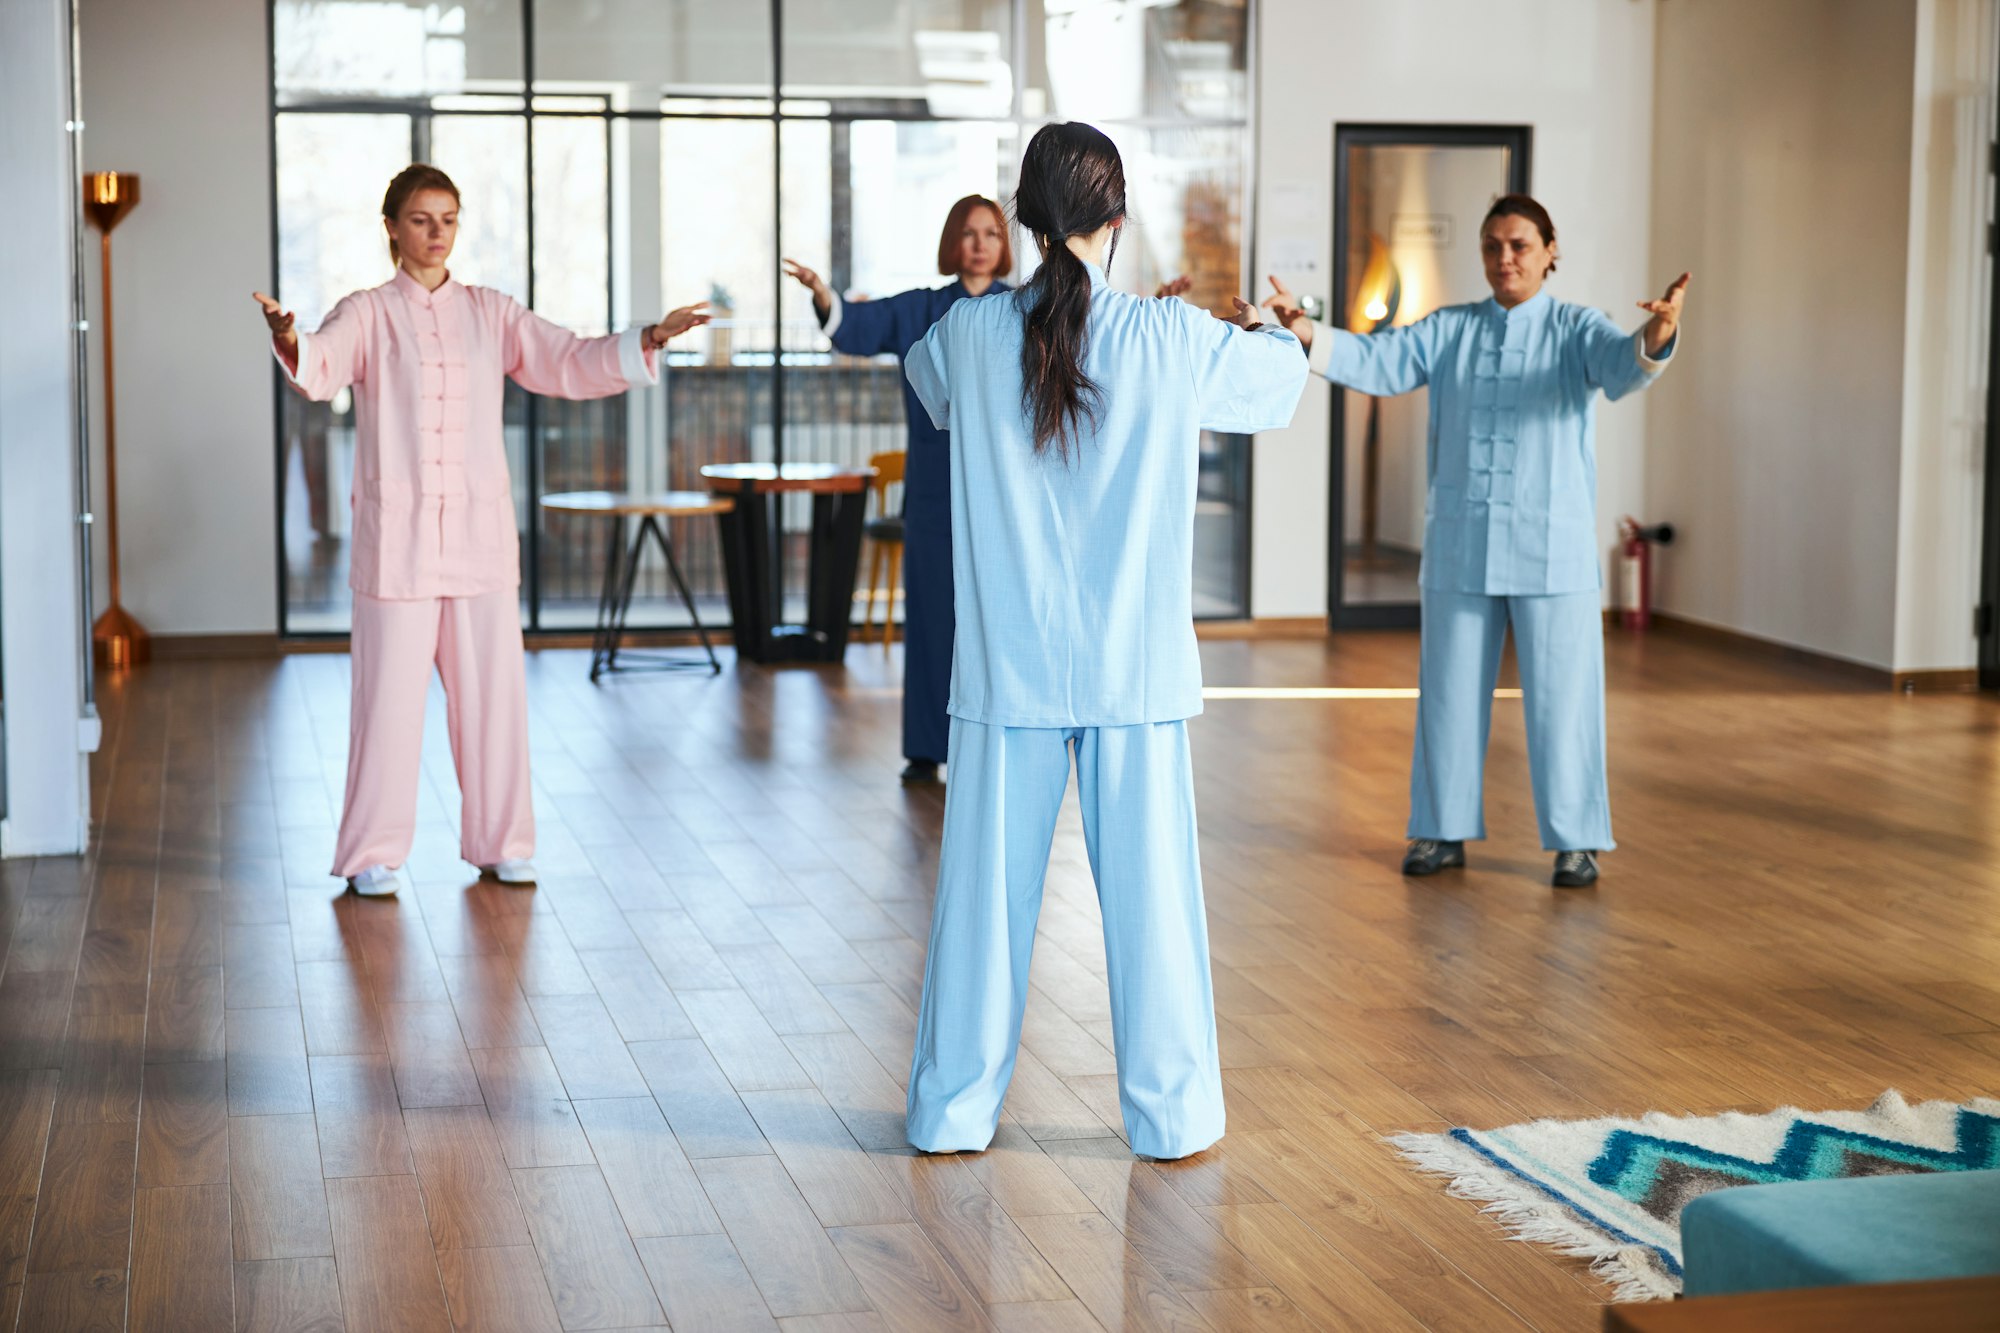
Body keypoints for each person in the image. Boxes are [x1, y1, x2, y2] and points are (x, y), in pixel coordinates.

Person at [901, 122, 1308, 1160]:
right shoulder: (1170, 339)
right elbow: (1276, 386)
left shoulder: (966, 334)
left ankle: (951, 1114)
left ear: (1027, 219)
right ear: (1115, 220)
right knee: (1153, 904)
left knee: (982, 909)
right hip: (1134, 668)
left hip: (1007, 670)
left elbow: (928, 377)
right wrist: (1274, 327)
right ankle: (1171, 1120)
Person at [254, 163, 709, 897]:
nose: (436, 234)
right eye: (421, 220)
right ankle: (374, 851)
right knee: (385, 707)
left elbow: (567, 359)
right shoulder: (367, 311)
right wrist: (290, 336)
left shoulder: (492, 313)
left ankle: (503, 841)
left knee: (494, 702)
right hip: (397, 546)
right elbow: (323, 365)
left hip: (478, 540)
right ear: (392, 227)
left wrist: (650, 336)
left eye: (449, 219)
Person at [1266, 194, 1688, 888]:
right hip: (1462, 543)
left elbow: (1621, 367)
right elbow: (1380, 360)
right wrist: (1307, 332)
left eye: (1520, 245)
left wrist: (1657, 335)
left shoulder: (1576, 328)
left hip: (1553, 550)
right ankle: (1439, 830)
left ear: (1551, 252)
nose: (1504, 258)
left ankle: (1576, 841)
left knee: (1566, 698)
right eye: (1493, 245)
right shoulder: (1452, 328)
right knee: (1448, 693)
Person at [782, 197, 1012, 786]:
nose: (981, 243)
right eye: (969, 233)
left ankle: (999, 743)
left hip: (1007, 496)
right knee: (934, 617)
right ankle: (928, 746)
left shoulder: (1023, 309)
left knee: (999, 622)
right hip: (935, 493)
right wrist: (823, 295)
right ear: (952, 242)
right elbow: (857, 327)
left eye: (991, 232)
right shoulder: (923, 310)